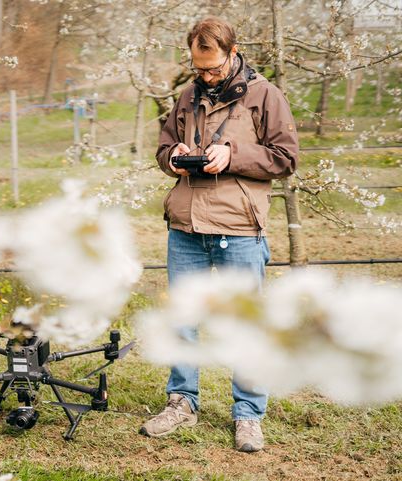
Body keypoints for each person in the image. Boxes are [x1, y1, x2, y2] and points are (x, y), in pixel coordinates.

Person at [139, 17, 299, 452]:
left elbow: (285, 157)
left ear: (232, 53)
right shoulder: (187, 95)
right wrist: (173, 154)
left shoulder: (266, 95)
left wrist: (232, 154)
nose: (204, 76)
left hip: (240, 228)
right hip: (186, 226)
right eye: (197, 67)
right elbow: (162, 145)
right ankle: (181, 403)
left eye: (211, 68)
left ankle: (248, 415)